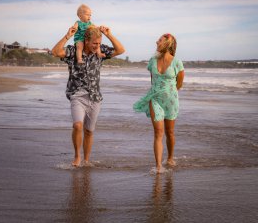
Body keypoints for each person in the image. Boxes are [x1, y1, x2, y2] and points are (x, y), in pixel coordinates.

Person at [52, 24, 125, 166]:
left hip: (95, 97)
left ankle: (86, 160)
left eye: (99, 43)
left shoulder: (100, 52)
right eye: (94, 43)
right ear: (86, 41)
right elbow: (55, 52)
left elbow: (120, 50)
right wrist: (68, 35)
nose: (97, 46)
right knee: (78, 126)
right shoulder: (74, 52)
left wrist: (109, 34)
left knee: (89, 131)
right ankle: (77, 156)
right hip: (77, 95)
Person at [133, 33, 184, 173]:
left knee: (170, 132)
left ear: (167, 43)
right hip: (155, 99)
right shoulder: (152, 61)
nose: (156, 42)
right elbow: (153, 80)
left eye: (159, 40)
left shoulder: (177, 62)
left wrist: (169, 93)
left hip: (171, 101)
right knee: (158, 132)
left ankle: (170, 157)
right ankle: (158, 166)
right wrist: (158, 93)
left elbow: (179, 84)